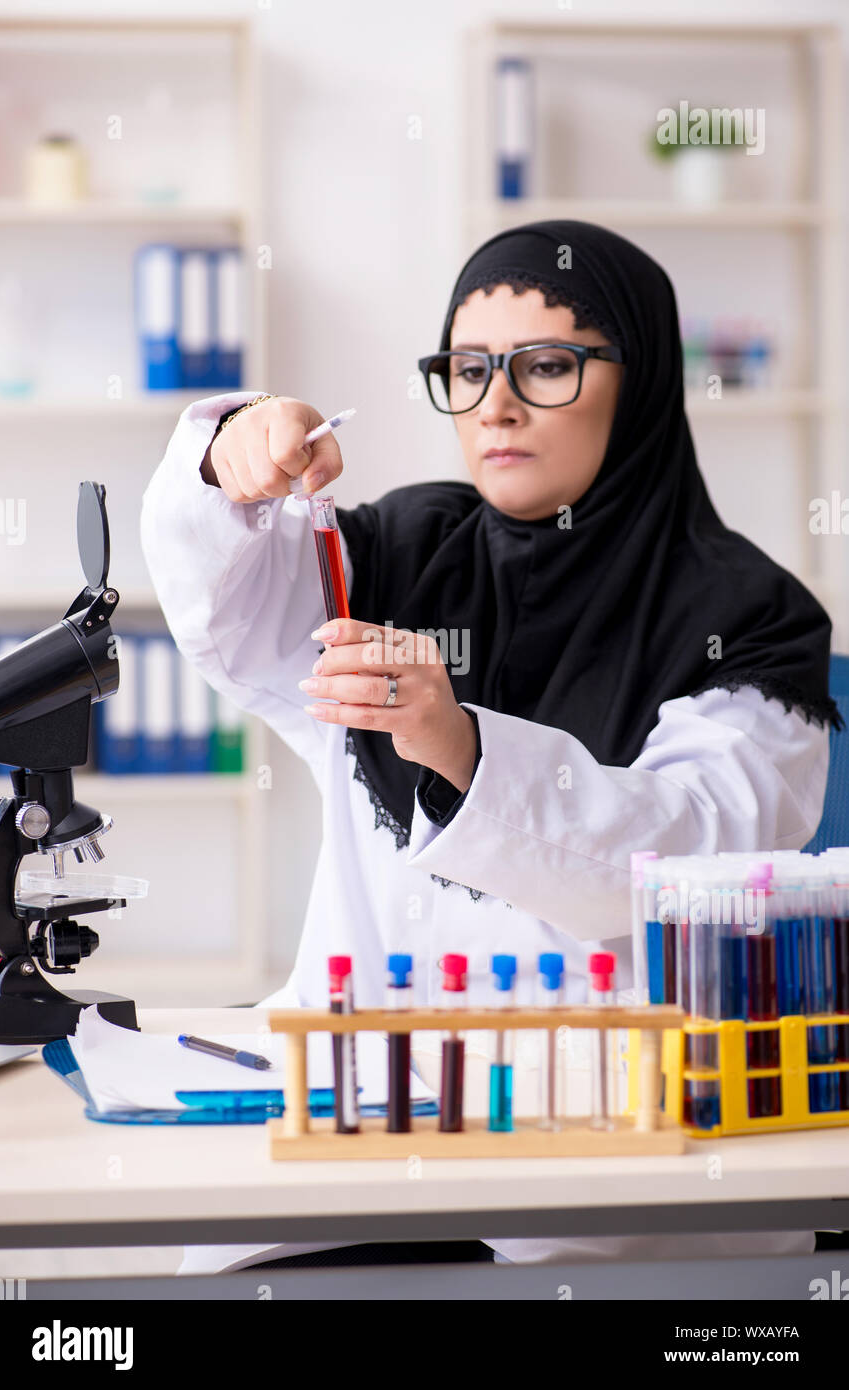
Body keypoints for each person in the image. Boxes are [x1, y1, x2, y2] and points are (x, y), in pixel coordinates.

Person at [140, 220, 841, 1274]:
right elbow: (220, 610)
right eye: (467, 370)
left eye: (547, 365)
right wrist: (229, 455)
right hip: (361, 1141)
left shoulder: (749, 616)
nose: (497, 403)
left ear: (638, 380)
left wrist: (461, 746)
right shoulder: (400, 547)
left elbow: (686, 854)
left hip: (618, 1178)